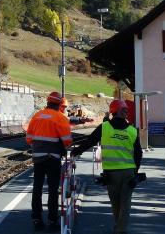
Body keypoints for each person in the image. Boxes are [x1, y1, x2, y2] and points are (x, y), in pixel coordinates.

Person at [71, 99, 142, 234]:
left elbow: (90, 141)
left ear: (112, 111)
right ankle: (121, 229)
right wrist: (136, 171)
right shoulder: (133, 131)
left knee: (115, 202)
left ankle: (119, 228)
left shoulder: (104, 127)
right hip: (128, 172)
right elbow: (138, 153)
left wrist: (76, 151)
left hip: (111, 172)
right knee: (125, 203)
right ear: (125, 112)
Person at [26, 92, 72, 231]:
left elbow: (29, 139)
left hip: (38, 157)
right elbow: (67, 142)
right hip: (53, 158)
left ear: (47, 102)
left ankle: (36, 219)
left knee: (37, 188)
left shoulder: (37, 116)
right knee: (53, 190)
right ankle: (52, 220)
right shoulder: (60, 117)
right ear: (58, 104)